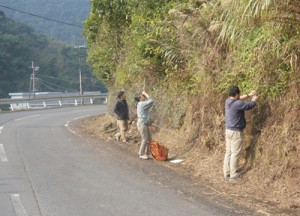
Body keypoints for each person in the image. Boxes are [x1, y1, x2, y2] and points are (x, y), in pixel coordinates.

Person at [224, 86, 259, 180]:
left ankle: (226, 173)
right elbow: (249, 105)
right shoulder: (238, 104)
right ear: (236, 94)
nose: (239, 96)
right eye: (239, 94)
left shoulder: (228, 101)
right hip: (236, 132)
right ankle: (233, 175)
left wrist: (248, 95)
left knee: (228, 152)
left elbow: (239, 99)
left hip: (228, 130)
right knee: (235, 153)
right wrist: (254, 99)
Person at [135, 91, 153, 160]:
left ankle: (146, 153)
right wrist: (145, 93)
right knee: (145, 139)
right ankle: (141, 154)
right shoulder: (141, 104)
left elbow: (145, 116)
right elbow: (151, 101)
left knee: (148, 139)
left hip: (143, 123)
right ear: (140, 98)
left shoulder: (141, 104)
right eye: (143, 96)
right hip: (141, 124)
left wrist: (149, 122)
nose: (144, 97)